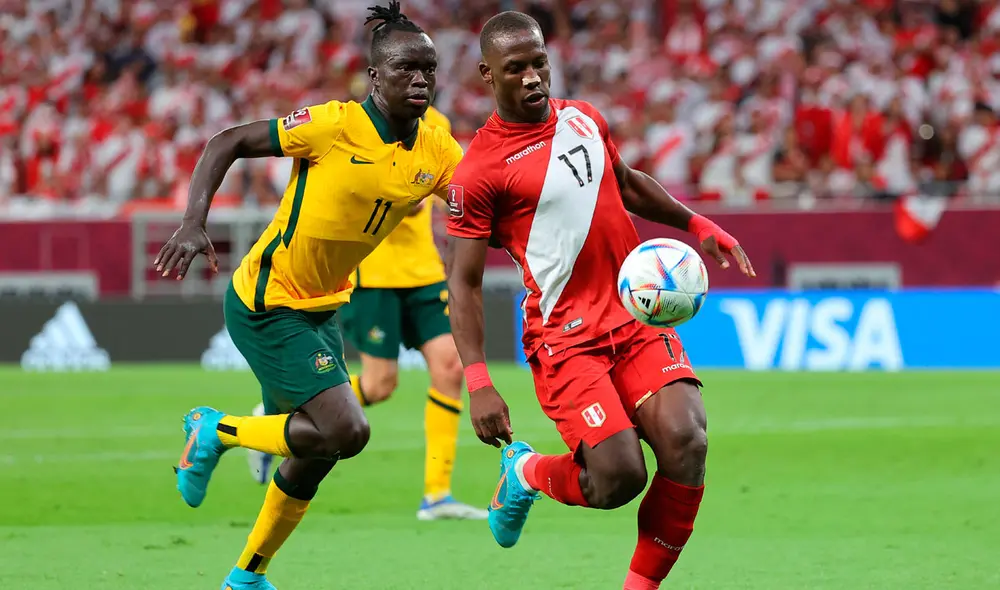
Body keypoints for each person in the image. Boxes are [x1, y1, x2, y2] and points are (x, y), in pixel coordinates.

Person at [153, 4, 463, 589]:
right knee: (347, 432)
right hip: (268, 302)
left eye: (429, 68)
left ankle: (246, 577)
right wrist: (194, 221)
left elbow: (481, 207)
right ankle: (215, 431)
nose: (420, 79)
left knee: (315, 454)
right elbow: (228, 141)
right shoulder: (333, 124)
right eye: (405, 69)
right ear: (375, 78)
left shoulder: (437, 150)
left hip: (323, 308)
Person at [445, 11, 755, 590]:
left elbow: (627, 181)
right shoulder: (478, 172)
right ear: (489, 74)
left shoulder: (584, 117)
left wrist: (697, 223)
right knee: (616, 479)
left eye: (540, 62)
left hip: (636, 320)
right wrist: (480, 380)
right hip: (565, 337)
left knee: (687, 441)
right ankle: (527, 473)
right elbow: (461, 283)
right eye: (517, 68)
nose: (534, 77)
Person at [246, 103, 487, 521]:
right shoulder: (357, 126)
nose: (416, 81)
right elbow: (404, 197)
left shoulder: (438, 127)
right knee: (379, 385)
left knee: (450, 367)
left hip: (424, 272)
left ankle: (437, 494)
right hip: (373, 273)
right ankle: (274, 422)